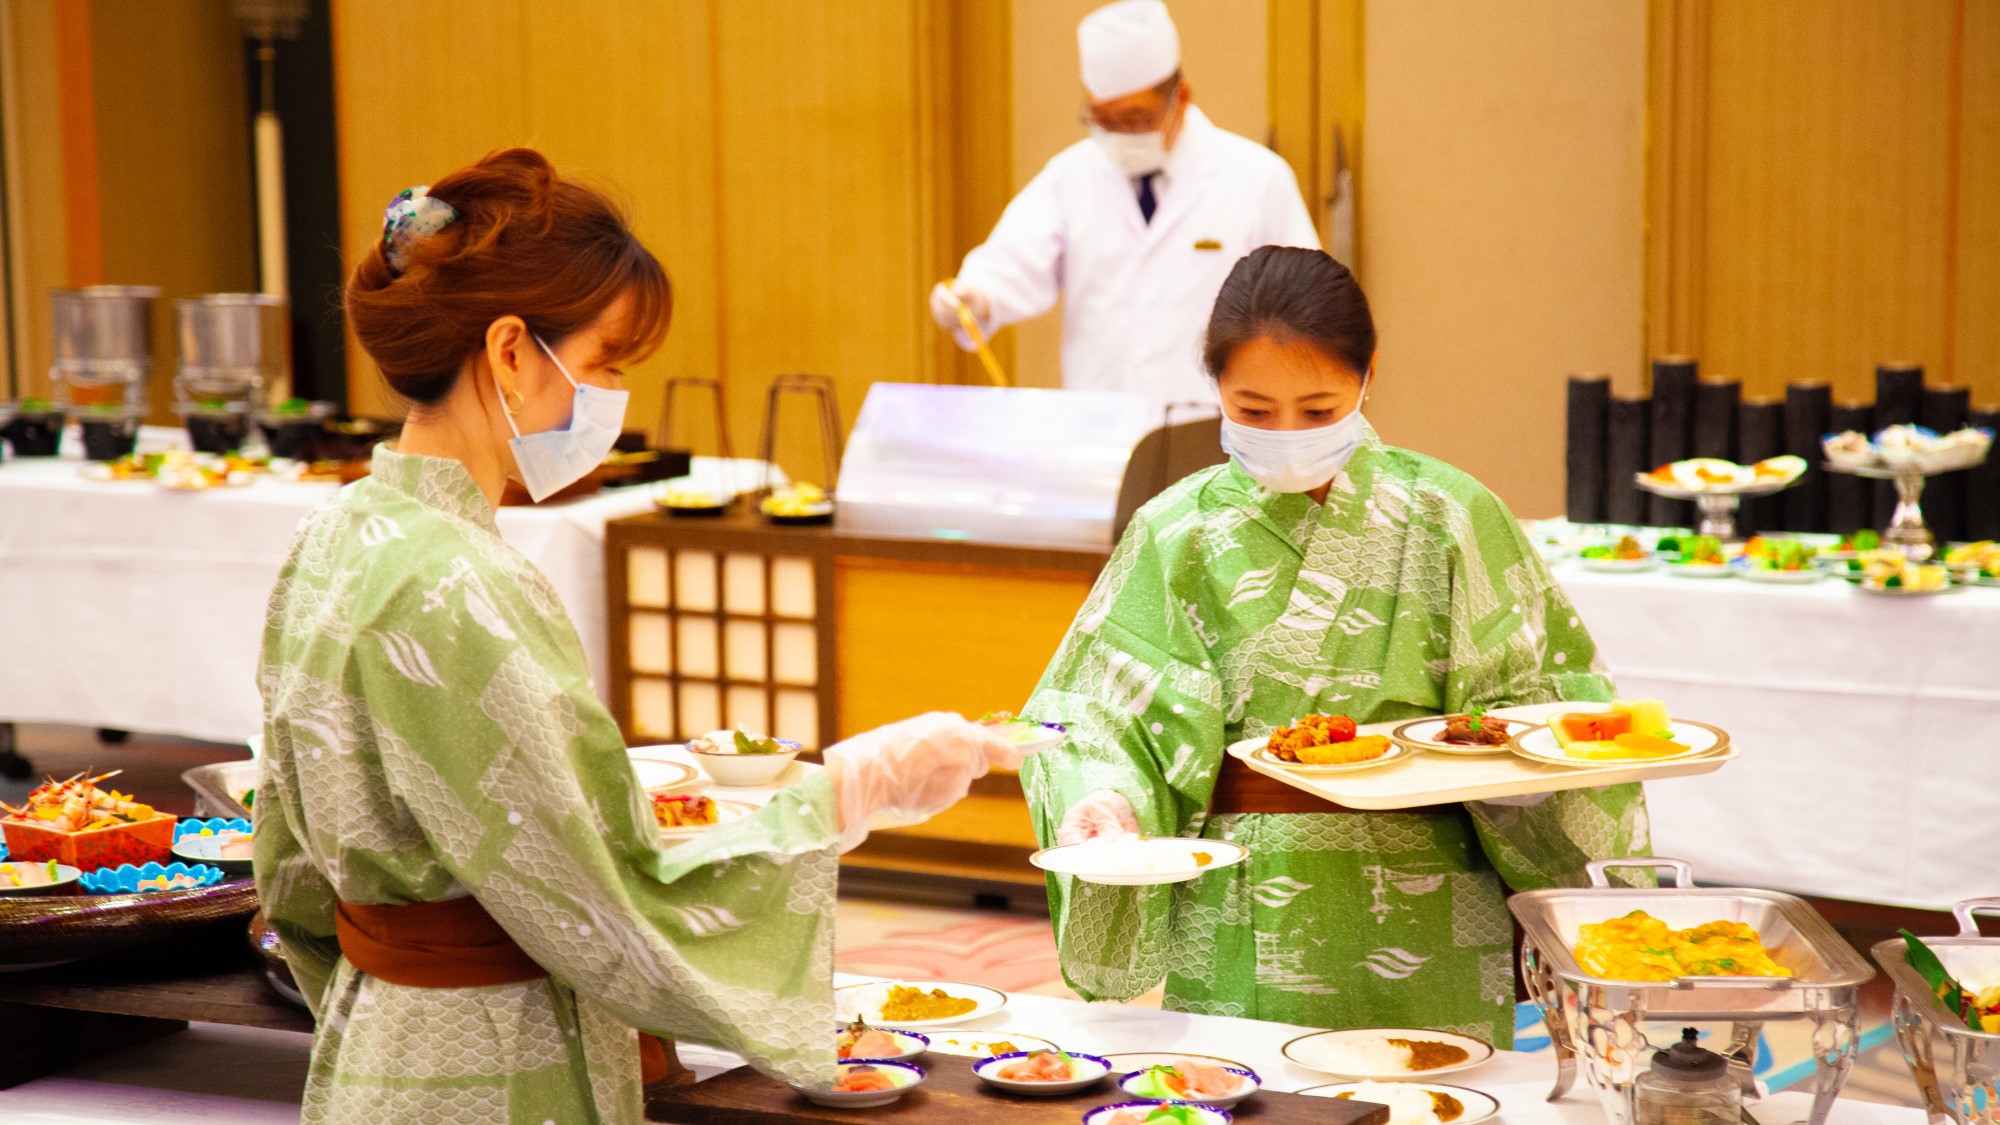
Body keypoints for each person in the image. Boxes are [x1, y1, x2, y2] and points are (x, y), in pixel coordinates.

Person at [255, 148, 1021, 1124]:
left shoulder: (331, 539)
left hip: (378, 1044)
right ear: (509, 352)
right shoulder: (464, 582)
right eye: (605, 364)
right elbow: (608, 891)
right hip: (496, 1060)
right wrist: (848, 791)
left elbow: (287, 869)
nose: (614, 397)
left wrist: (388, 972)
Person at [1018, 246, 1650, 1043]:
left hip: (1432, 891)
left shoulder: (1453, 515)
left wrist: (1523, 772)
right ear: (1213, 385)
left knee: (1438, 1092)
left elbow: (1551, 700)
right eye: (1252, 409)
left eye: (1317, 410)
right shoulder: (1174, 529)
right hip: (1241, 890)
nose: (1286, 433)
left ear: (1368, 374)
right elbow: (1092, 713)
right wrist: (1104, 799)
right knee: (1252, 1091)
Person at [930, 0, 1319, 409]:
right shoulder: (1072, 176)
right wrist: (974, 297)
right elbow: (1012, 263)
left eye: (1135, 120)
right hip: (1099, 425)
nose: (1119, 136)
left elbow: (1305, 306)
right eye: (1103, 120)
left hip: (1213, 430)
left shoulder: (1256, 178)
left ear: (1181, 97)